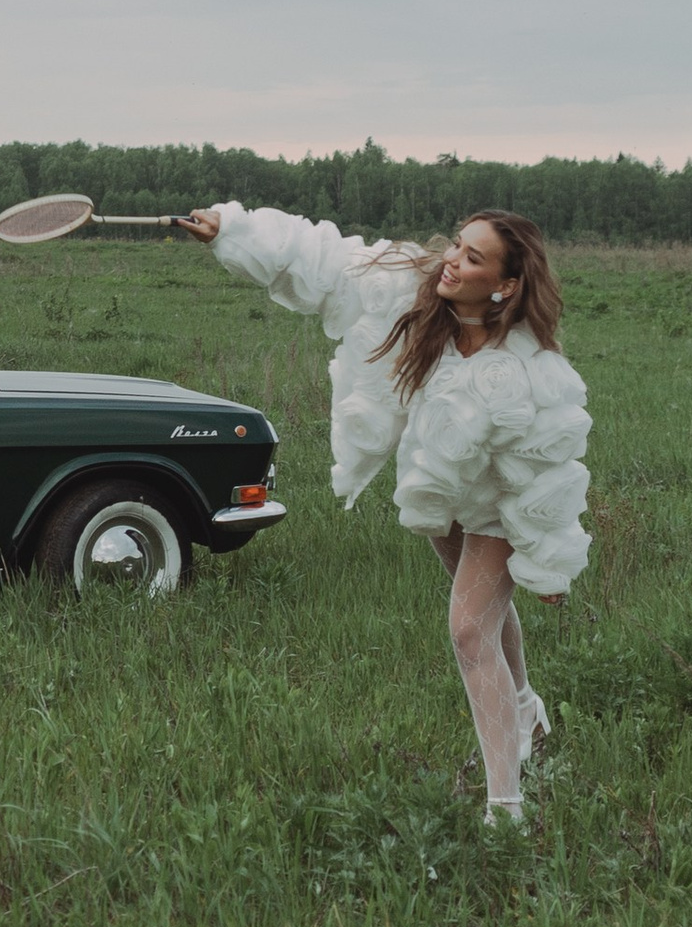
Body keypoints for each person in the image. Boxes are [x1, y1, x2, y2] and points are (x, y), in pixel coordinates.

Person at [182, 201, 590, 824]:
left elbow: (547, 470)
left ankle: (505, 807)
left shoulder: (535, 372)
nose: (452, 260)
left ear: (506, 286)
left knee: (467, 630)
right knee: (483, 613)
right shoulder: (412, 289)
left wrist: (548, 561)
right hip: (443, 487)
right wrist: (232, 230)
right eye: (458, 244)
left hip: (500, 506)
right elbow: (330, 261)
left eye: (473, 257)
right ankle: (527, 710)